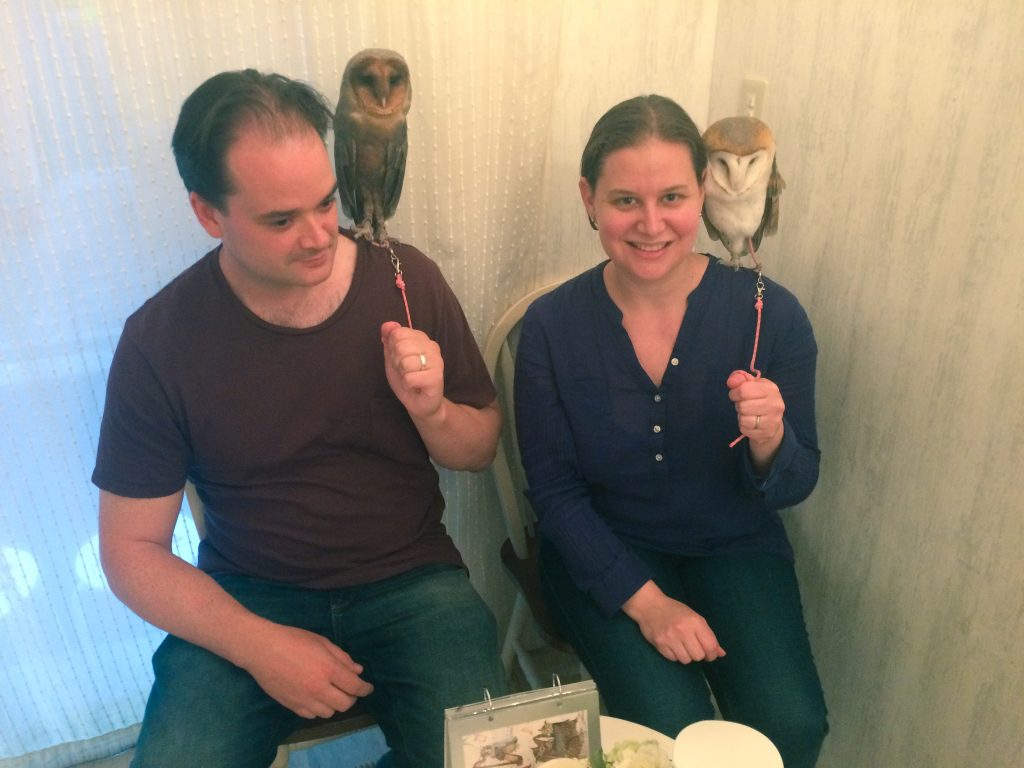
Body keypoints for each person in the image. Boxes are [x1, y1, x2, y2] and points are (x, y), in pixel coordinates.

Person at [93, 69, 507, 768]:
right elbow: (130, 551)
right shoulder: (160, 341)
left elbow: (478, 448)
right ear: (208, 214)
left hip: (413, 583)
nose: (319, 236)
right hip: (248, 595)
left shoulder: (404, 279)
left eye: (326, 203)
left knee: (492, 761)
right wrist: (258, 644)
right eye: (281, 220)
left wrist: (432, 409)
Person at [513, 95, 828, 767]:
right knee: (669, 734)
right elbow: (555, 491)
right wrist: (650, 605)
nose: (651, 224)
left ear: (704, 193)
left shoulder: (770, 316)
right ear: (588, 198)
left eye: (673, 198)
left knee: (792, 727)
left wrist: (771, 440)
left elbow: (799, 482)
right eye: (625, 200)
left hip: (735, 545)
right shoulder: (550, 327)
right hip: (605, 553)